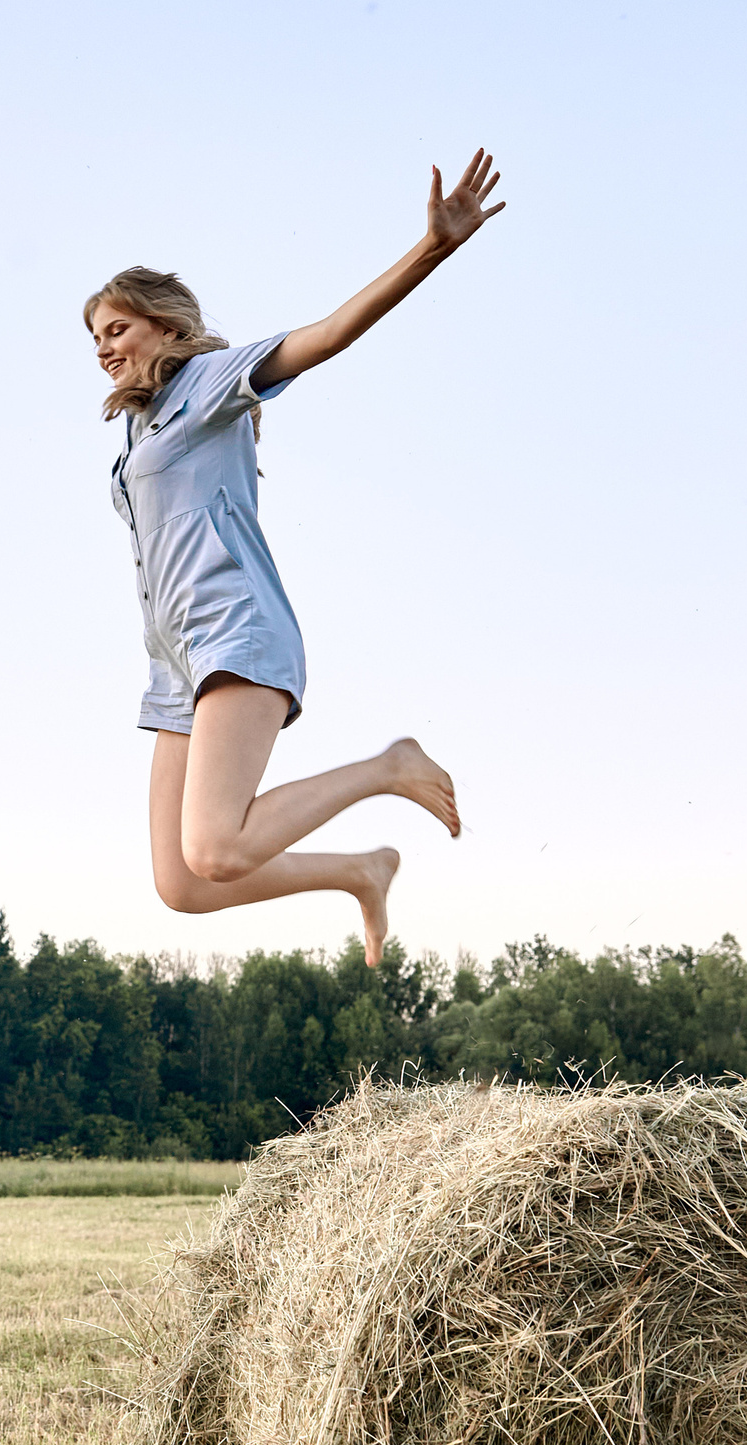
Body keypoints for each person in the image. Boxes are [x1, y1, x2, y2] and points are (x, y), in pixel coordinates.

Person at [89, 149, 504, 967]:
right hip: (176, 662)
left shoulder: (208, 383)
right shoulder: (142, 429)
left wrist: (431, 249)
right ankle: (361, 869)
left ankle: (389, 765)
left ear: (166, 328)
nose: (104, 347)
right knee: (182, 882)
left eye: (119, 329)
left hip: (233, 630)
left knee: (216, 848)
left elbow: (323, 336)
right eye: (96, 337)